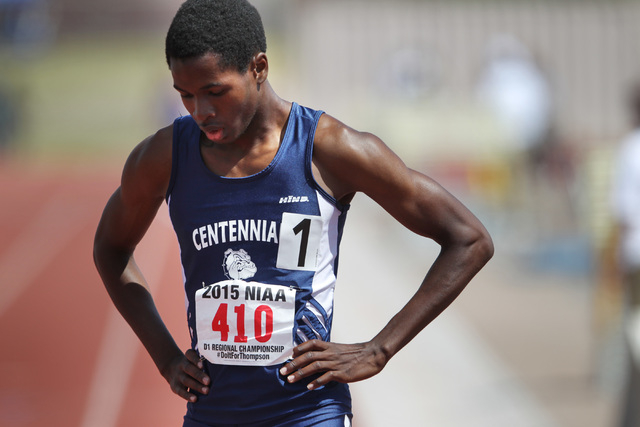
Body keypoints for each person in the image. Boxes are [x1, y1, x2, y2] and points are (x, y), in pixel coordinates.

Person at [93, 1, 494, 426]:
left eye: (214, 91)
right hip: (212, 413)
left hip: (308, 413)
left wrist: (379, 349)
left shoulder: (330, 149)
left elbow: (468, 239)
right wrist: (166, 357)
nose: (200, 111)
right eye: (185, 95)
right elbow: (111, 248)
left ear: (258, 68)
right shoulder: (164, 157)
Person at [611, 83, 640, 427]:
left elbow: (623, 214)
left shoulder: (631, 149)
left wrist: (612, 266)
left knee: (635, 339)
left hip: (637, 259)